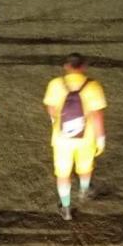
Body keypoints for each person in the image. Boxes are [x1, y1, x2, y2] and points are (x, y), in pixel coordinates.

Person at [43, 53, 108, 221]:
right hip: (87, 138)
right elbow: (97, 115)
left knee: (63, 174)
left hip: (62, 139)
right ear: (83, 67)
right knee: (85, 167)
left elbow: (51, 109)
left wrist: (55, 120)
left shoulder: (56, 84)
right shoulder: (93, 86)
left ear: (66, 67)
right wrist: (101, 137)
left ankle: (66, 208)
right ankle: (84, 191)